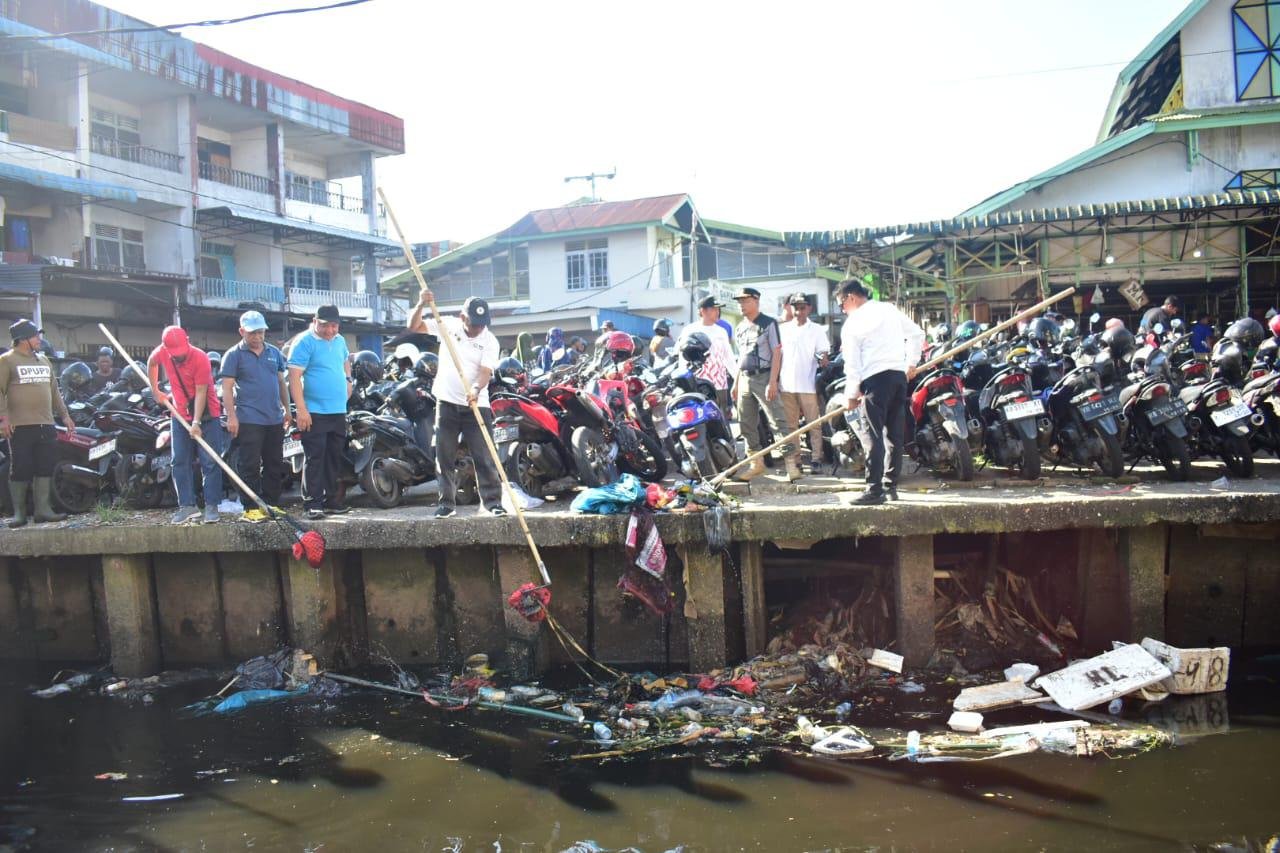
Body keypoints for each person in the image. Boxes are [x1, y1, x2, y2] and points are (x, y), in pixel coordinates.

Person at [412, 286, 505, 519]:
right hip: (447, 402)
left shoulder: (490, 341)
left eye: (482, 323)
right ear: (463, 317)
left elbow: (485, 372)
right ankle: (446, 503)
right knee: (444, 455)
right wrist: (421, 304)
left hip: (476, 404)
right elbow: (414, 326)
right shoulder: (449, 326)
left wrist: (475, 388)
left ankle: (492, 502)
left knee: (484, 456)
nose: (478, 328)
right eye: (474, 323)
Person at [839, 279, 926, 505]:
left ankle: (874, 489)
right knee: (894, 435)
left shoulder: (853, 323)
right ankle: (891, 487)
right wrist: (911, 363)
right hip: (898, 378)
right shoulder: (888, 309)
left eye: (841, 304)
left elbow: (852, 363)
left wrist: (850, 394)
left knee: (872, 435)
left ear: (851, 297)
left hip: (875, 381)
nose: (842, 310)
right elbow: (917, 333)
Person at [0, 319, 77, 527]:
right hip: (20, 425)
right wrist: (3, 419)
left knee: (45, 466)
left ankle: (43, 509)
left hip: (46, 424)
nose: (39, 339)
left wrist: (65, 415)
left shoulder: (44, 360)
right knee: (20, 468)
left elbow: (54, 391)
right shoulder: (7, 360)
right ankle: (19, 513)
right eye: (35, 336)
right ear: (23, 339)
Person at [148, 326, 226, 524]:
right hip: (179, 413)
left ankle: (211, 506)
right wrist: (155, 389)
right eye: (174, 354)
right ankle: (187, 506)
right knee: (179, 461)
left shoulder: (200, 358)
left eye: (180, 353)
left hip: (207, 414)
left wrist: (197, 422)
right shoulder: (163, 352)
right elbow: (151, 362)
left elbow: (201, 393)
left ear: (188, 341)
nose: (178, 356)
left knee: (210, 461)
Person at [287, 305, 352, 520]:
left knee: (334, 455)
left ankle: (332, 500)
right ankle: (312, 503)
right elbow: (294, 377)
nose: (329, 330)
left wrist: (348, 380)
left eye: (334, 326)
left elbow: (345, 361)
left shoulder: (340, 340)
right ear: (314, 320)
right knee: (315, 457)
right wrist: (301, 410)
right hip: (314, 410)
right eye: (325, 325)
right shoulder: (304, 342)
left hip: (338, 409)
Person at [221, 310, 291, 510]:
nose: (257, 337)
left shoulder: (274, 353)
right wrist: (231, 417)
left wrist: (287, 410)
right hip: (249, 418)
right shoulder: (233, 355)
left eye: (261, 332)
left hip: (274, 419)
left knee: (274, 463)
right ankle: (251, 507)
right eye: (252, 333)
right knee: (249, 465)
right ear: (241, 331)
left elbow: (281, 382)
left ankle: (271, 504)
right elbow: (226, 388)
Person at [731, 286, 793, 481]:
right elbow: (740, 357)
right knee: (746, 423)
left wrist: (773, 381)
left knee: (777, 420)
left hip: (765, 376)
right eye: (740, 301)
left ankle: (791, 463)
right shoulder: (739, 327)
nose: (741, 304)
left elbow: (777, 352)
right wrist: (735, 383)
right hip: (745, 378)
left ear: (756, 301)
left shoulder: (768, 323)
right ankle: (756, 463)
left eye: (745, 300)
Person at [779, 293, 830, 477]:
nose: (799, 311)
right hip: (785, 385)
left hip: (807, 384)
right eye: (795, 307)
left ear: (809, 308)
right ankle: (796, 461)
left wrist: (823, 358)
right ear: (790, 308)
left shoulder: (816, 330)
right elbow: (777, 356)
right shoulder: (783, 329)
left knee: (813, 424)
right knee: (790, 426)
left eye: (802, 307)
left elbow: (823, 352)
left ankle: (816, 459)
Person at [678, 296, 736, 413]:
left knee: (721, 417)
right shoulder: (689, 330)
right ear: (702, 311)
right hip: (698, 384)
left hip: (719, 385)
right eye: (714, 309)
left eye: (718, 309)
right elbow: (682, 359)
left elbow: (729, 358)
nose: (717, 312)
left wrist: (737, 379)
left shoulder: (722, 331)